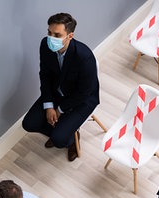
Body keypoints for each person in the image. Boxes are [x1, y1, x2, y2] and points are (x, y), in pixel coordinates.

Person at [22, 12, 100, 162]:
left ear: (70, 36)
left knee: (59, 140)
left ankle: (71, 138)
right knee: (29, 123)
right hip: (57, 92)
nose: (51, 38)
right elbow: (44, 75)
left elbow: (84, 92)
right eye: (49, 32)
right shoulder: (45, 45)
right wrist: (49, 105)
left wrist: (59, 110)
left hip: (81, 99)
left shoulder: (84, 57)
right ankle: (62, 131)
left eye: (57, 35)